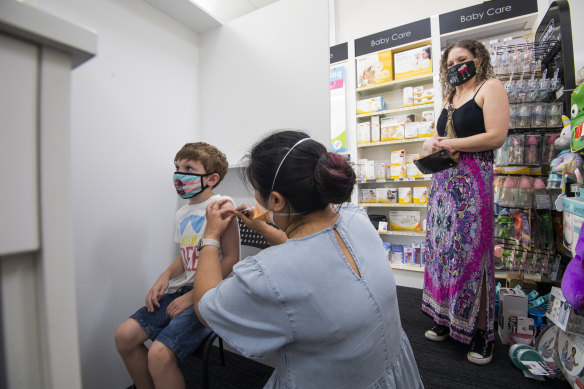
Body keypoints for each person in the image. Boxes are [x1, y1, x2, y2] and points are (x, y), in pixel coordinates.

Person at [193, 130, 424, 388]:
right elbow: (310, 257)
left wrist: (211, 236)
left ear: (277, 200)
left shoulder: (267, 272)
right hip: (388, 368)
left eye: (258, 192)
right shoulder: (355, 217)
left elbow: (206, 308)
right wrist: (265, 224)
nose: (257, 199)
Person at [114, 142, 239, 389]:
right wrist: (165, 276)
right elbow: (186, 255)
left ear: (212, 178)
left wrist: (193, 296)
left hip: (209, 293)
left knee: (159, 355)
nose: (179, 174)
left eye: (188, 168)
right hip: (181, 291)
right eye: (177, 167)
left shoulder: (222, 204)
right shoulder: (184, 212)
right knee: (124, 336)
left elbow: (231, 259)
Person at [421, 39, 509, 365]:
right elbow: (439, 135)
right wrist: (433, 142)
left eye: (461, 59)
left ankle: (481, 334)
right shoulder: (450, 97)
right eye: (449, 62)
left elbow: (496, 136)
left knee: (475, 255)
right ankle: (445, 319)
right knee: (444, 252)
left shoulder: (490, 86)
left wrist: (453, 142)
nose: (455, 66)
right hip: (443, 183)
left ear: (476, 58)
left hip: (474, 181)